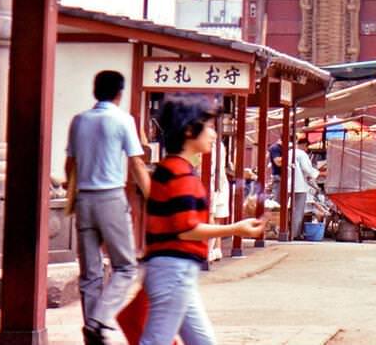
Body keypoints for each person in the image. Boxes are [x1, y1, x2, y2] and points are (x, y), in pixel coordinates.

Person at [142, 96, 264, 345]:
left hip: (174, 269)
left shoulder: (173, 169)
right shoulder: (180, 174)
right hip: (174, 269)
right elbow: (187, 230)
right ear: (189, 130)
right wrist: (236, 228)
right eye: (208, 126)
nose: (214, 134)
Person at [66, 70, 149, 345]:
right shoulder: (123, 120)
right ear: (119, 93)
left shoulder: (79, 121)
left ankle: (93, 334)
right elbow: (136, 163)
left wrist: (72, 194)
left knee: (90, 271)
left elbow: (71, 164)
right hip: (111, 197)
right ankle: (97, 321)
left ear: (95, 91)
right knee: (125, 266)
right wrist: (153, 196)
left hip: (84, 199)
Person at [287, 137, 319, 239]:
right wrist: (318, 173)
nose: (306, 149)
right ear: (304, 145)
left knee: (287, 210)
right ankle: (294, 234)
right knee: (298, 211)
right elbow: (307, 169)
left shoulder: (288, 153)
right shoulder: (301, 154)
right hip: (299, 185)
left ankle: (285, 231)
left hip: (287, 185)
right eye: (306, 147)